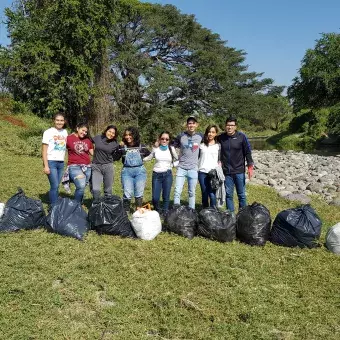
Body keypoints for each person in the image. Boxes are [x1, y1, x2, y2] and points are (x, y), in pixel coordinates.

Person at [218, 116, 254, 212]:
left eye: (232, 125)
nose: (229, 127)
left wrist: (250, 167)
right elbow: (210, 140)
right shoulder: (221, 137)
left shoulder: (241, 137)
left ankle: (243, 214)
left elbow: (247, 151)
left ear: (235, 126)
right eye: (228, 125)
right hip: (227, 172)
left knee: (241, 195)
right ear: (225, 126)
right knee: (228, 195)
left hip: (239, 171)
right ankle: (231, 215)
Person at [143, 131, 178, 216]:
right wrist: (141, 160)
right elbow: (149, 157)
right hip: (156, 175)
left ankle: (165, 212)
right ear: (159, 139)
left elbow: (178, 159)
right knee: (155, 198)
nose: (164, 140)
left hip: (167, 175)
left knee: (166, 196)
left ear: (169, 140)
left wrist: (173, 165)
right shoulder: (156, 149)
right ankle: (157, 212)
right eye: (162, 138)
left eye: (167, 139)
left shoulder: (171, 149)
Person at [173, 116, 203, 209]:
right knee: (177, 191)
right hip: (181, 167)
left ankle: (192, 211)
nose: (191, 125)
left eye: (193, 123)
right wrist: (176, 158)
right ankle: (175, 210)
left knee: (192, 192)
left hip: (193, 168)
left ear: (196, 125)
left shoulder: (201, 136)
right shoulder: (181, 136)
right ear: (187, 125)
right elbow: (171, 146)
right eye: (189, 123)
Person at [119, 127, 150, 212]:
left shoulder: (141, 146)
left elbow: (150, 155)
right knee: (127, 193)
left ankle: (138, 211)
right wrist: (118, 146)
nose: (128, 137)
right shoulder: (122, 147)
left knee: (139, 192)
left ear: (134, 135)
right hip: (127, 172)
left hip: (140, 172)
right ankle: (126, 212)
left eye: (130, 135)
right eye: (126, 135)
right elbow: (115, 156)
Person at [42, 112, 68, 205]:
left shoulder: (65, 132)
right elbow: (44, 150)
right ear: (54, 121)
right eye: (57, 120)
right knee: (55, 185)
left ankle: (55, 202)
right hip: (51, 162)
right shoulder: (48, 132)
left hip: (61, 163)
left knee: (56, 186)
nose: (59, 122)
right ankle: (53, 207)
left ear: (64, 122)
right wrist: (46, 166)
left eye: (61, 120)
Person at [66, 122, 94, 203]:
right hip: (74, 166)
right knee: (81, 186)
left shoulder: (88, 140)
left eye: (86, 132)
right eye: (83, 130)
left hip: (87, 167)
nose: (84, 133)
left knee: (82, 187)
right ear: (77, 128)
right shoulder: (69, 138)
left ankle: (79, 202)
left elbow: (93, 153)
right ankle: (76, 206)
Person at [91, 125, 121, 200]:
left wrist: (113, 158)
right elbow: (86, 141)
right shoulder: (98, 138)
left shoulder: (115, 143)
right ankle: (96, 206)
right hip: (96, 166)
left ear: (115, 135)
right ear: (106, 131)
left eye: (113, 133)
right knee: (95, 190)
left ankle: (107, 207)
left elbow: (119, 153)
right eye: (109, 131)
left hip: (108, 167)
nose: (111, 134)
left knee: (108, 190)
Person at [198, 125, 220, 208]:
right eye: (209, 132)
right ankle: (205, 210)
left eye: (213, 132)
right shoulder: (202, 145)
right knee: (204, 192)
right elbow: (197, 157)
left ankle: (213, 211)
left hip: (213, 173)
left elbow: (220, 159)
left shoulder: (218, 146)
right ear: (207, 133)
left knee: (212, 193)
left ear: (216, 134)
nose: (210, 134)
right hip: (202, 172)